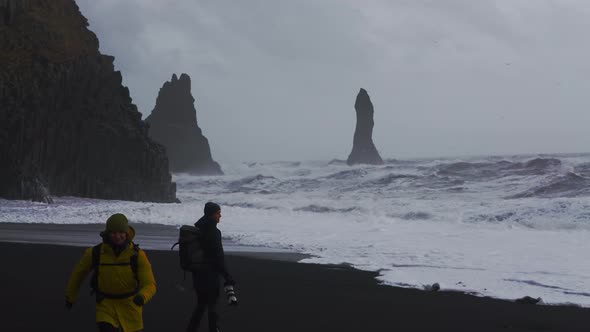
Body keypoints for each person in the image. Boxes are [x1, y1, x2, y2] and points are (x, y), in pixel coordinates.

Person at [65, 213, 157, 332]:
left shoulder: (137, 255)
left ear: (126, 233)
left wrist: (142, 296)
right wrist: (70, 296)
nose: (117, 236)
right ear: (108, 234)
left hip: (130, 306)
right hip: (105, 305)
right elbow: (78, 274)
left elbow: (150, 284)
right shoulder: (95, 253)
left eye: (121, 232)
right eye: (113, 232)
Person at [186, 202, 237, 332]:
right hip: (210, 276)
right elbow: (218, 257)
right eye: (218, 213)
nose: (220, 215)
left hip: (197, 274)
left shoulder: (197, 229)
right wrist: (227, 276)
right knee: (212, 306)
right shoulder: (214, 232)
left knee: (201, 305)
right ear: (212, 214)